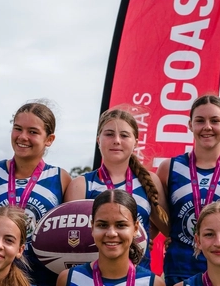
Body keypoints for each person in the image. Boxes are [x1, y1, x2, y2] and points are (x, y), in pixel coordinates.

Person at [0, 101, 71, 286]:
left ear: (49, 139)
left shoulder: (61, 179)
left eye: (33, 131)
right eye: (18, 129)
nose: (23, 137)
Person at [157, 95, 220, 286]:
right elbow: (162, 220)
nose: (207, 127)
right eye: (200, 120)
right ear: (190, 125)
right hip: (178, 270)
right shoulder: (169, 167)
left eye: (215, 121)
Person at [64, 107, 170, 270]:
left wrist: (139, 237)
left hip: (138, 279)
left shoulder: (150, 181)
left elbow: (169, 229)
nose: (116, 140)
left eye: (124, 135)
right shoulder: (81, 185)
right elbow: (70, 238)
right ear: (98, 139)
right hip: (91, 278)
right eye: (109, 134)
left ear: (135, 141)